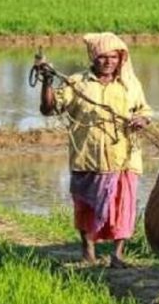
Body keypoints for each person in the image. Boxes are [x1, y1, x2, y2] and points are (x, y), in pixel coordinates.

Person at [37, 32, 152, 267]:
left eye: (113, 57)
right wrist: (48, 81)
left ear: (121, 59)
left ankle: (117, 255)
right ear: (93, 57)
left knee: (123, 206)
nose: (108, 62)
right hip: (88, 157)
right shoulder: (77, 83)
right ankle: (88, 253)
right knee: (86, 205)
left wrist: (141, 120)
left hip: (124, 156)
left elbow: (145, 110)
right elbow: (49, 109)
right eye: (102, 57)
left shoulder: (131, 84)